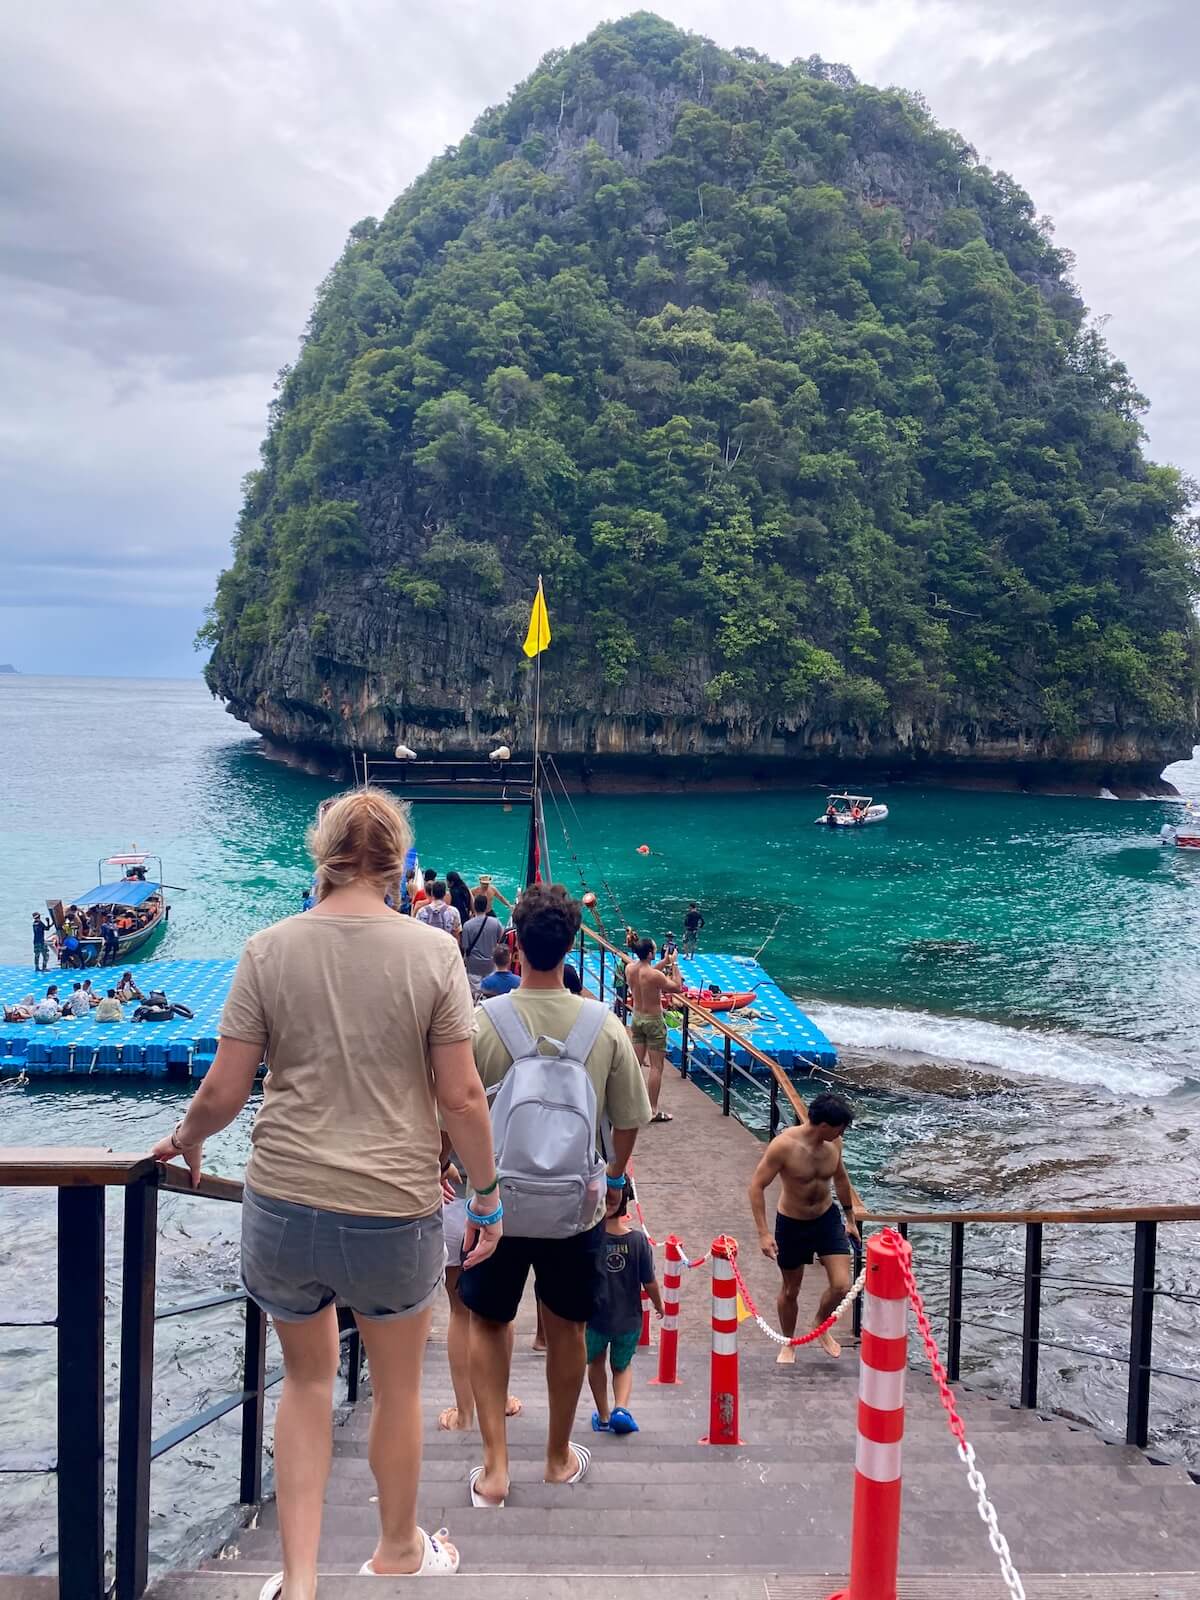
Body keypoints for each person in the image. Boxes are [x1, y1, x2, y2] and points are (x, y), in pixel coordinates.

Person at [149, 788, 502, 1588]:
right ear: (398, 863)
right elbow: (461, 1098)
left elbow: (224, 1091)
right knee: (398, 1391)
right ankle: (398, 1549)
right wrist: (486, 1195)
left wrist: (185, 1140)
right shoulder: (432, 954)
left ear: (323, 854)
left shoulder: (270, 948)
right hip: (391, 1208)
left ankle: (301, 1580)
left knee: (306, 1382)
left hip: (283, 1202)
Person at [460, 882, 652, 1506]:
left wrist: (452, 1170)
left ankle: (494, 1467)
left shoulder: (482, 1023)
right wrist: (616, 1181)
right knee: (567, 1326)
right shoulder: (605, 1026)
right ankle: (556, 1455)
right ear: (572, 946)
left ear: (512, 945)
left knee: (491, 1323)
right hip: (577, 1208)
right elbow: (629, 1117)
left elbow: (455, 1110)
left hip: (497, 1203)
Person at [748, 1092, 862, 1363]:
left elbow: (842, 1180)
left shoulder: (835, 1145)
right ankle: (788, 1342)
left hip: (826, 1218)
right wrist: (763, 1233)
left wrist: (850, 1219)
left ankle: (820, 1325)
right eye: (840, 1127)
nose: (842, 1132)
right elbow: (756, 1186)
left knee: (842, 1285)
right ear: (824, 1125)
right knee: (790, 1290)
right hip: (792, 1223)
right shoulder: (784, 1146)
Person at [586, 1179, 663, 1435]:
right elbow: (649, 1282)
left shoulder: (590, 1239)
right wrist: (659, 1304)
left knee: (596, 1363)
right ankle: (621, 1408)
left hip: (595, 1318)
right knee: (622, 1366)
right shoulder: (639, 1241)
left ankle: (604, 1416)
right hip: (628, 1320)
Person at [625, 939, 682, 1124]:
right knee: (656, 1067)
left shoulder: (630, 969)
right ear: (650, 953)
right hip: (653, 1021)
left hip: (637, 1018)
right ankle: (653, 1109)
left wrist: (664, 962)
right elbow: (676, 987)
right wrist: (673, 963)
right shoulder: (654, 976)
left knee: (637, 1064)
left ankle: (630, 1104)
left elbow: (648, 972)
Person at [461, 894, 504, 996]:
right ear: (486, 907)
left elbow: (465, 946)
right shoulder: (496, 923)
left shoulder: (467, 925)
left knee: (474, 994)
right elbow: (501, 939)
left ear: (474, 906)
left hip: (473, 966)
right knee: (490, 993)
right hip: (490, 963)